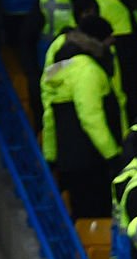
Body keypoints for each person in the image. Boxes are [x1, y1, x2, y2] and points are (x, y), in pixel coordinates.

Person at [41, 14, 123, 218]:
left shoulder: (60, 68)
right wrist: (113, 155)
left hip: (69, 161)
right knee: (99, 215)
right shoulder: (88, 70)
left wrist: (51, 156)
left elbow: (50, 115)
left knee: (81, 218)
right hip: (92, 162)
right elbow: (90, 117)